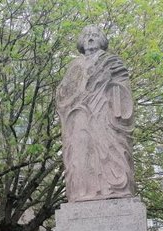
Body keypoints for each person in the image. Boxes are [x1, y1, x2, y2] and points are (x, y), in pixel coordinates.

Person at [56, 25, 135, 202]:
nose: (90, 39)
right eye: (86, 36)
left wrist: (108, 85)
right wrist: (76, 95)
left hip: (104, 116)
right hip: (80, 118)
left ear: (102, 40)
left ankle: (112, 188)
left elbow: (124, 92)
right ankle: (83, 191)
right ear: (81, 42)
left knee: (109, 150)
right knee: (81, 154)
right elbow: (62, 95)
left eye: (95, 35)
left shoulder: (112, 63)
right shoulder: (74, 66)